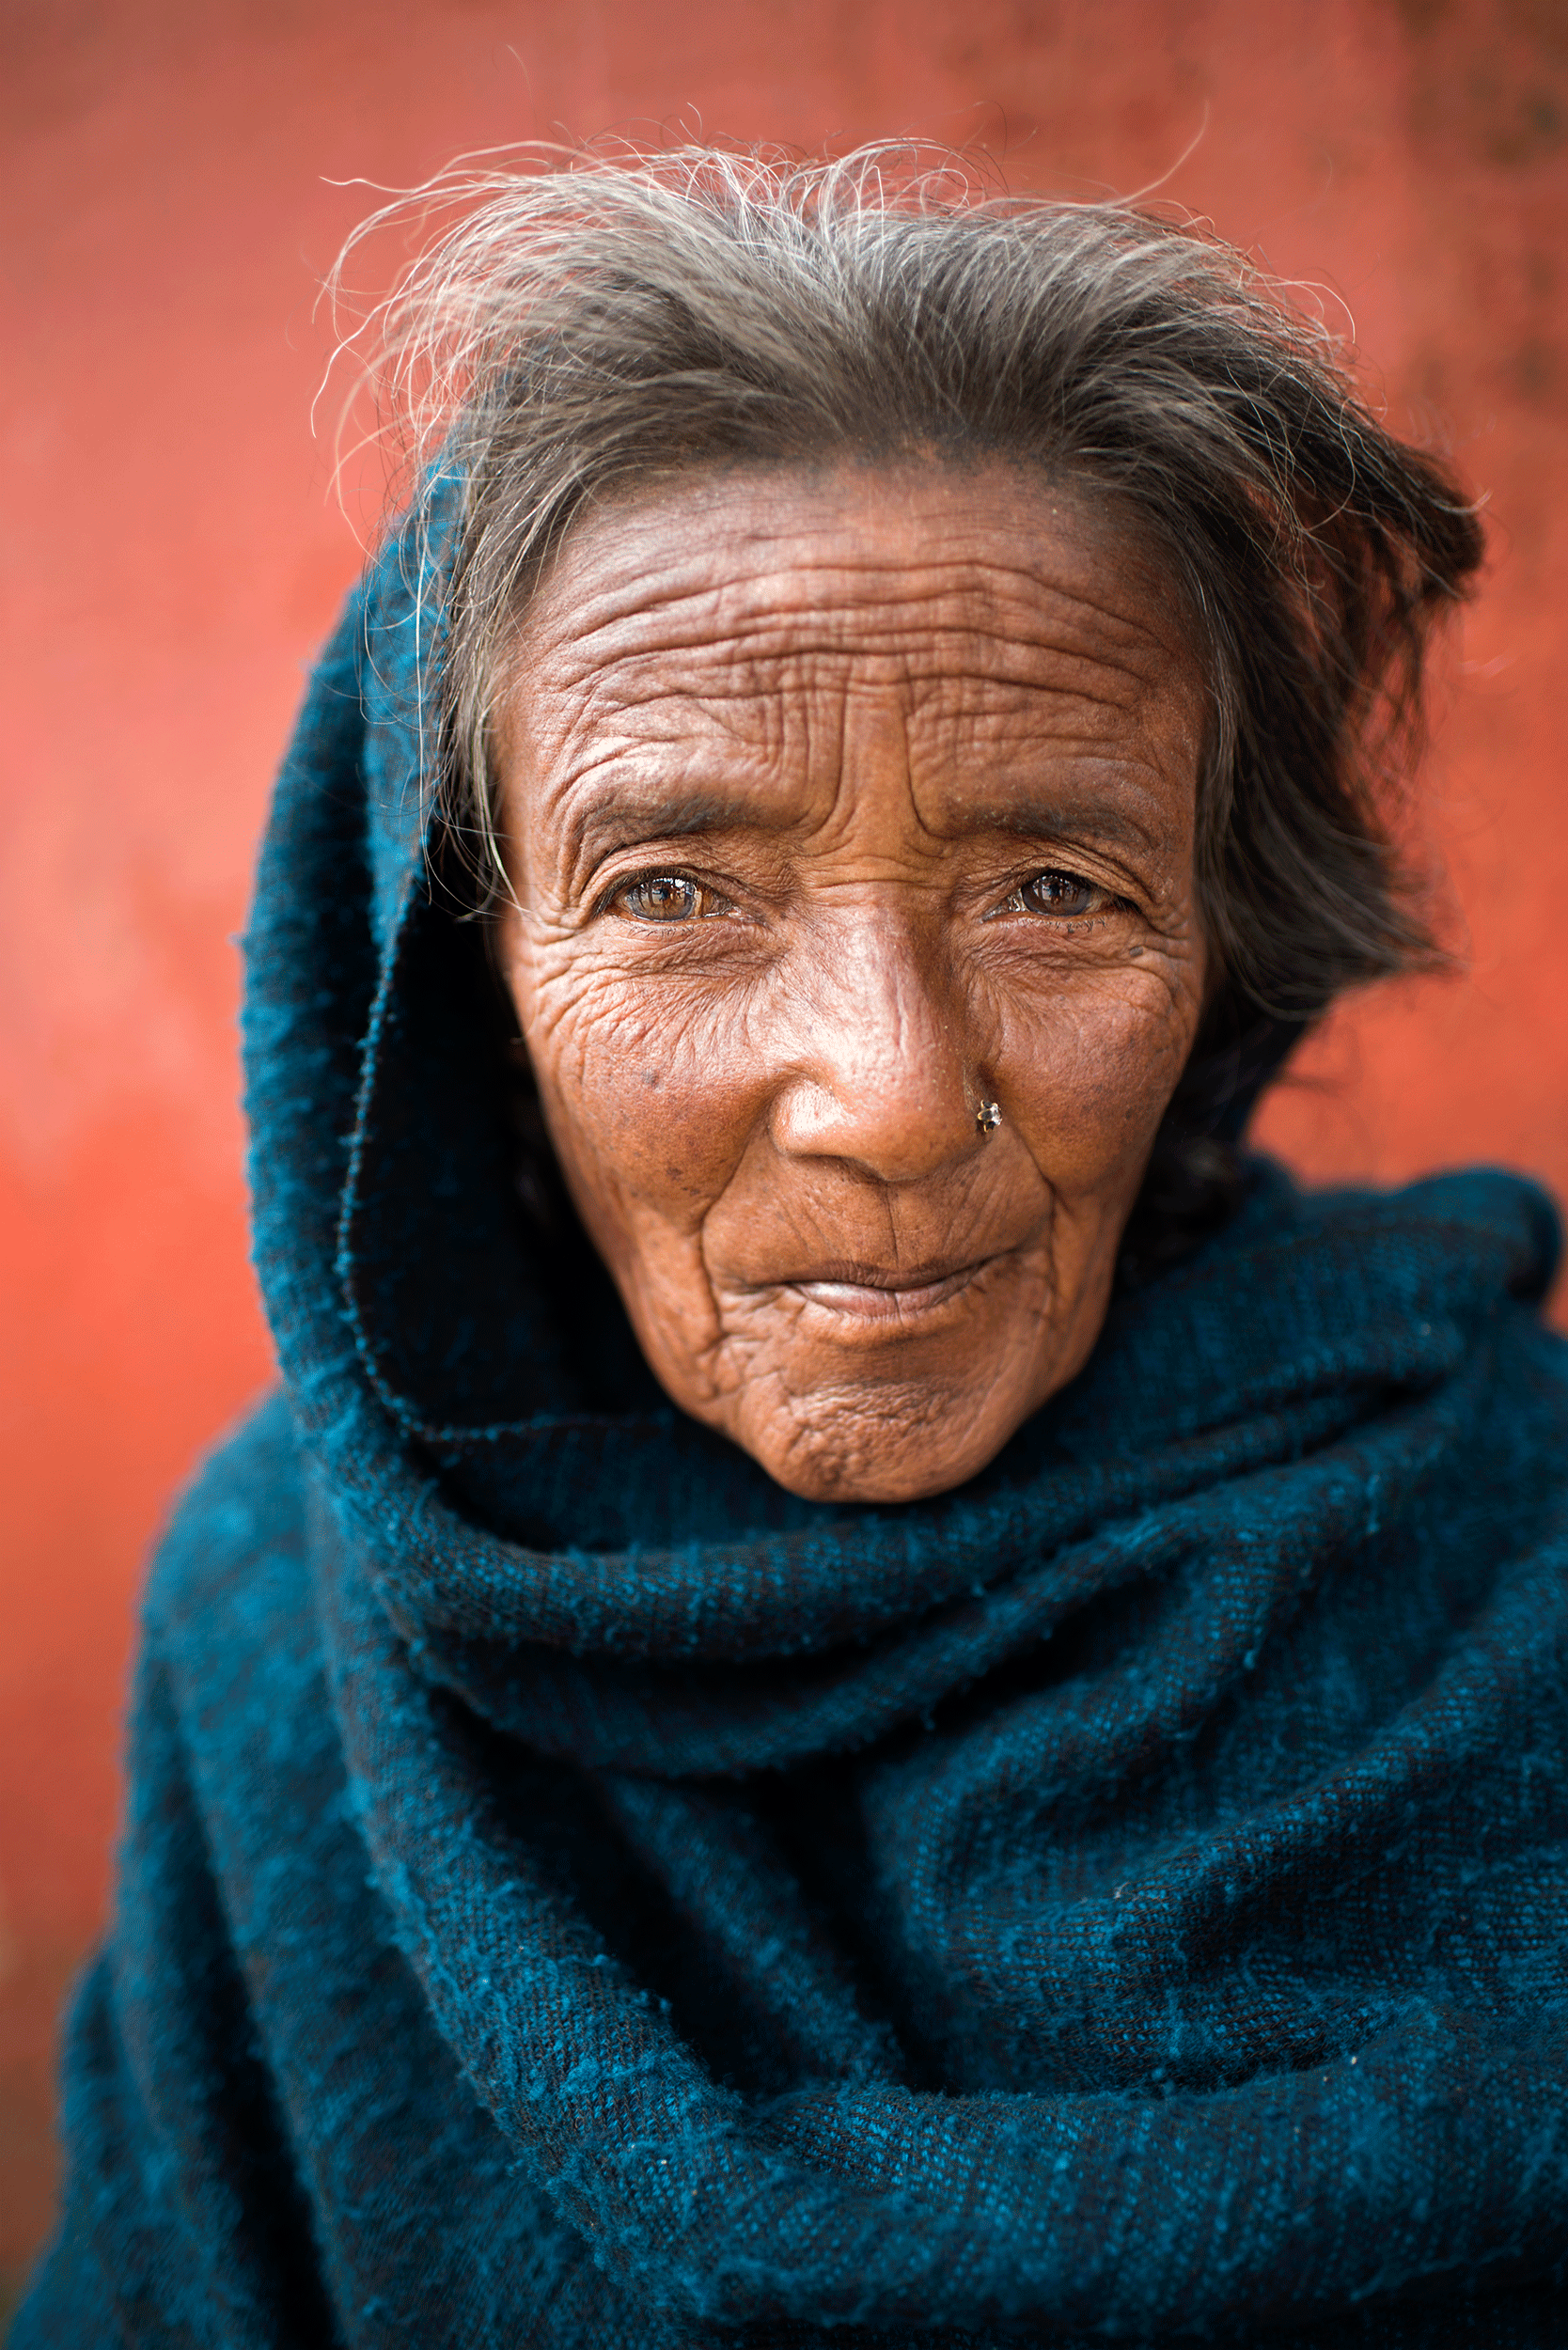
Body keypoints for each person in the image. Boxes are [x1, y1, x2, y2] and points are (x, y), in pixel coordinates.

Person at [15, 147, 1568, 2347]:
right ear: (463, 987)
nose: (893, 1090)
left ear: (1226, 949)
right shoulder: (296, 1619)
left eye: (1056, 885)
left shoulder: (1519, 1559)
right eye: (671, 888)